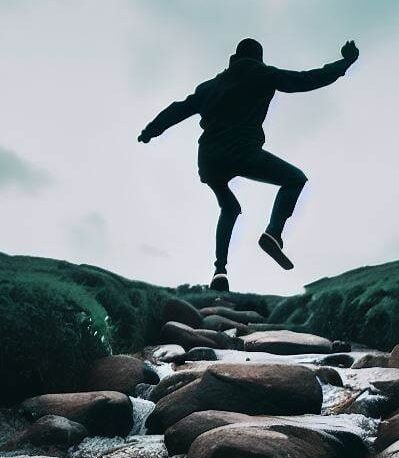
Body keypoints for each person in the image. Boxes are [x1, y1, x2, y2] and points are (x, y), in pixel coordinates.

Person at [138, 38, 359, 292]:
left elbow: (178, 109)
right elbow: (306, 80)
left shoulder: (210, 86)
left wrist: (151, 130)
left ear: (235, 56)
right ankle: (273, 233)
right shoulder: (262, 74)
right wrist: (345, 62)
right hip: (242, 151)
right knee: (294, 179)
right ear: (258, 58)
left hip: (209, 158)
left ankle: (219, 271)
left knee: (230, 207)